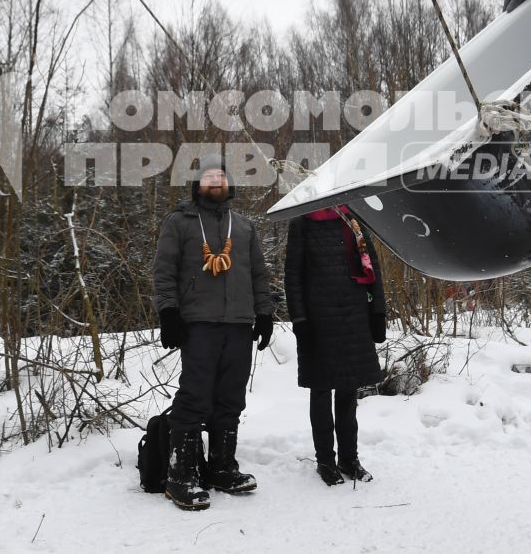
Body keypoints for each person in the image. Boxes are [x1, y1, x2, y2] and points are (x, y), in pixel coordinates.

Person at [152, 159, 274, 511]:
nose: (214, 183)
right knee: (195, 396)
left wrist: (264, 313)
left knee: (231, 398)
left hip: (238, 323)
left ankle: (222, 467)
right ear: (196, 186)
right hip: (198, 323)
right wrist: (169, 312)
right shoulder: (179, 222)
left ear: (230, 186)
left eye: (221, 178)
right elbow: (164, 272)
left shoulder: (244, 226)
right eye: (208, 179)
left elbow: (259, 275)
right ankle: (182, 475)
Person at [285, 204, 388, 485]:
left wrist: (378, 312)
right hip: (318, 319)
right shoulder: (302, 223)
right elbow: (292, 277)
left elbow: (373, 267)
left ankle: (349, 459)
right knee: (320, 391)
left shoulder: (352, 219)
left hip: (353, 316)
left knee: (348, 391)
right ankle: (325, 461)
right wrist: (300, 320)